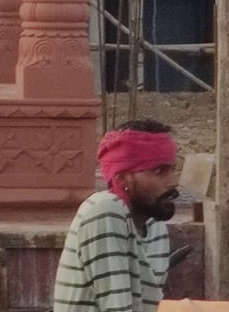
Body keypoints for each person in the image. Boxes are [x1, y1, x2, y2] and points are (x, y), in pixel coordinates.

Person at [53, 118, 179, 312]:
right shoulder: (105, 211)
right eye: (159, 171)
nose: (173, 182)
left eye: (172, 170)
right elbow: (116, 308)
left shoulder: (154, 223)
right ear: (122, 178)